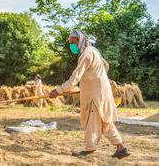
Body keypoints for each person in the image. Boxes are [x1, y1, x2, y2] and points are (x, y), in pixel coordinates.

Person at [49, 30, 130, 159]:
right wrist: (97, 77)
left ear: (79, 40)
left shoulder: (86, 54)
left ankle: (89, 149)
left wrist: (58, 90)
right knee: (105, 122)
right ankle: (121, 148)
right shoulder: (94, 50)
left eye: (72, 42)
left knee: (92, 122)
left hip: (95, 96)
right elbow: (105, 66)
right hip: (101, 92)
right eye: (70, 43)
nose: (71, 45)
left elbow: (75, 77)